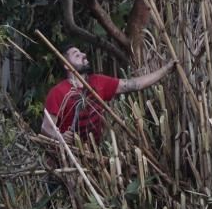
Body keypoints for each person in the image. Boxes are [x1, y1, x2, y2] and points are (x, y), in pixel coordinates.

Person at [41, 46, 175, 145]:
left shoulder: (98, 82)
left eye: (82, 51)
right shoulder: (58, 92)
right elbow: (46, 128)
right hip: (67, 161)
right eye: (76, 55)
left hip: (93, 158)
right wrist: (60, 137)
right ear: (67, 66)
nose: (83, 54)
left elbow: (134, 84)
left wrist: (166, 69)